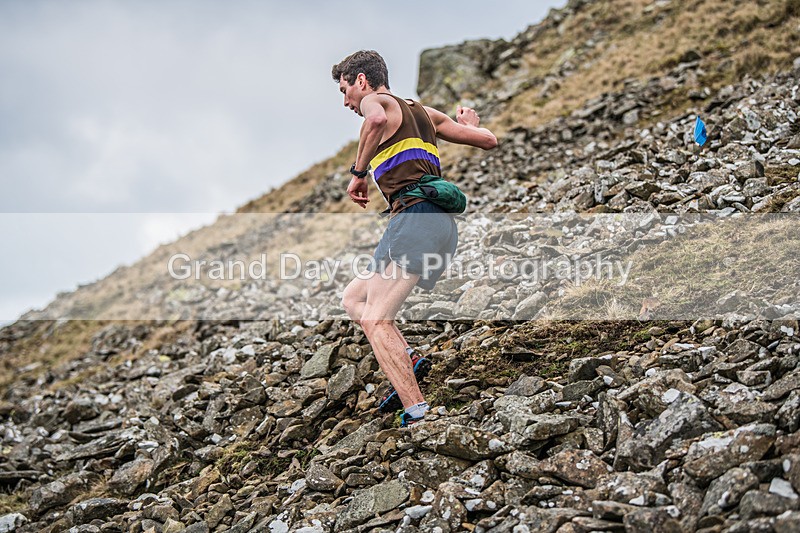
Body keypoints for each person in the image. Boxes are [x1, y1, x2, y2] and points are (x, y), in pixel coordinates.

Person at [332, 50, 497, 426]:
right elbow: (488, 141)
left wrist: (358, 173)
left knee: (376, 320)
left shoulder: (378, 100)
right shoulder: (424, 113)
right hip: (435, 220)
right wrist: (469, 124)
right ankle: (408, 359)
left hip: (415, 215)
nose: (346, 102)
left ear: (361, 80)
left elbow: (373, 117)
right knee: (353, 298)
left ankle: (418, 412)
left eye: (345, 90)